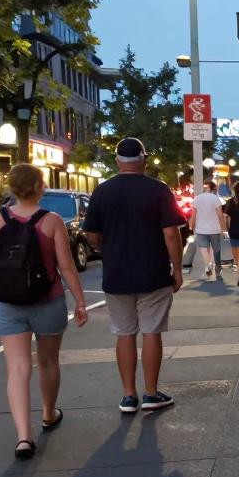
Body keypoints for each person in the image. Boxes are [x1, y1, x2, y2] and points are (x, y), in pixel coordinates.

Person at [0, 163, 88, 458]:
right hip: (48, 300)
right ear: (40, 186)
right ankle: (48, 413)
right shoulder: (52, 221)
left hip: (7, 304)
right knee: (48, 361)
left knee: (16, 368)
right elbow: (66, 266)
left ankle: (23, 437)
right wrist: (80, 302)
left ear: (12, 188)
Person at [83, 137, 185, 412]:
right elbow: (171, 234)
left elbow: (91, 234)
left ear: (117, 161)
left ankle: (129, 396)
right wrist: (177, 268)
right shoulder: (159, 190)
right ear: (144, 160)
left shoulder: (102, 192)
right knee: (151, 332)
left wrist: (104, 247)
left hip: (116, 273)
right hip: (153, 271)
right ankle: (151, 393)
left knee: (124, 333)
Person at [190, 180, 226, 280]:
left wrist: (191, 226)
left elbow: (193, 216)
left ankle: (207, 268)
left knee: (203, 249)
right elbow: (220, 216)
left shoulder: (197, 199)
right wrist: (224, 229)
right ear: (212, 189)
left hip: (201, 229)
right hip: (214, 229)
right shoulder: (215, 199)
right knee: (215, 249)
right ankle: (212, 265)